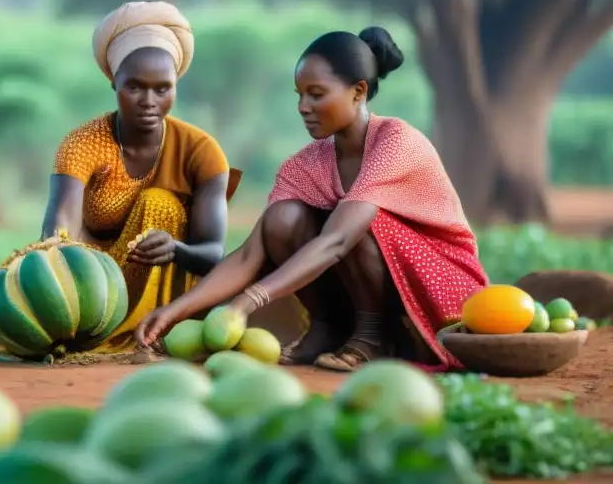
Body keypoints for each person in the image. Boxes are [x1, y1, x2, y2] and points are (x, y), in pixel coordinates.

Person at [135, 27, 489, 372]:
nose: (303, 106)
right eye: (299, 94)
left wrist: (249, 301)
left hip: (439, 287)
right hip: (365, 278)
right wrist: (176, 311)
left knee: (360, 219)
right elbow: (249, 255)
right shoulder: (306, 164)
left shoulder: (395, 141)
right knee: (282, 219)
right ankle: (330, 327)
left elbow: (337, 241)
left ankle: (374, 338)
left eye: (316, 94)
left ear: (358, 92)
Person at [37, 1, 241, 353]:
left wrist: (175, 249)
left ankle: (150, 334)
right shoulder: (83, 145)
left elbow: (211, 254)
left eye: (162, 89)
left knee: (160, 204)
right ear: (113, 82)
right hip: (93, 287)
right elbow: (56, 235)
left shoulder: (201, 152)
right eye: (134, 87)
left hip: (169, 293)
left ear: (175, 87)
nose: (149, 101)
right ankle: (96, 333)